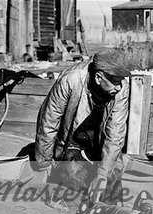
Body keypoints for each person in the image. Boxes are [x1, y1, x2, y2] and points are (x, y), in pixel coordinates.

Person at [34, 49, 130, 204]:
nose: (119, 87)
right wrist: (43, 164)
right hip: (72, 141)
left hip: (99, 139)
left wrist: (103, 175)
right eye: (115, 82)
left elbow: (115, 134)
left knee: (113, 181)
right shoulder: (70, 81)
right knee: (73, 183)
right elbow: (48, 123)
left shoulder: (121, 88)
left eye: (121, 81)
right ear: (99, 78)